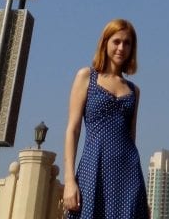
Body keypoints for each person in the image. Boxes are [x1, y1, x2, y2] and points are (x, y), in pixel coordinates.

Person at [63, 19, 149, 219]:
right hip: (94, 167)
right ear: (105, 43)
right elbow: (73, 129)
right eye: (116, 41)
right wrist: (69, 180)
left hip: (128, 173)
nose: (121, 47)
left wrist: (141, 197)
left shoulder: (134, 91)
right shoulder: (87, 77)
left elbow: (131, 137)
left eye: (127, 43)